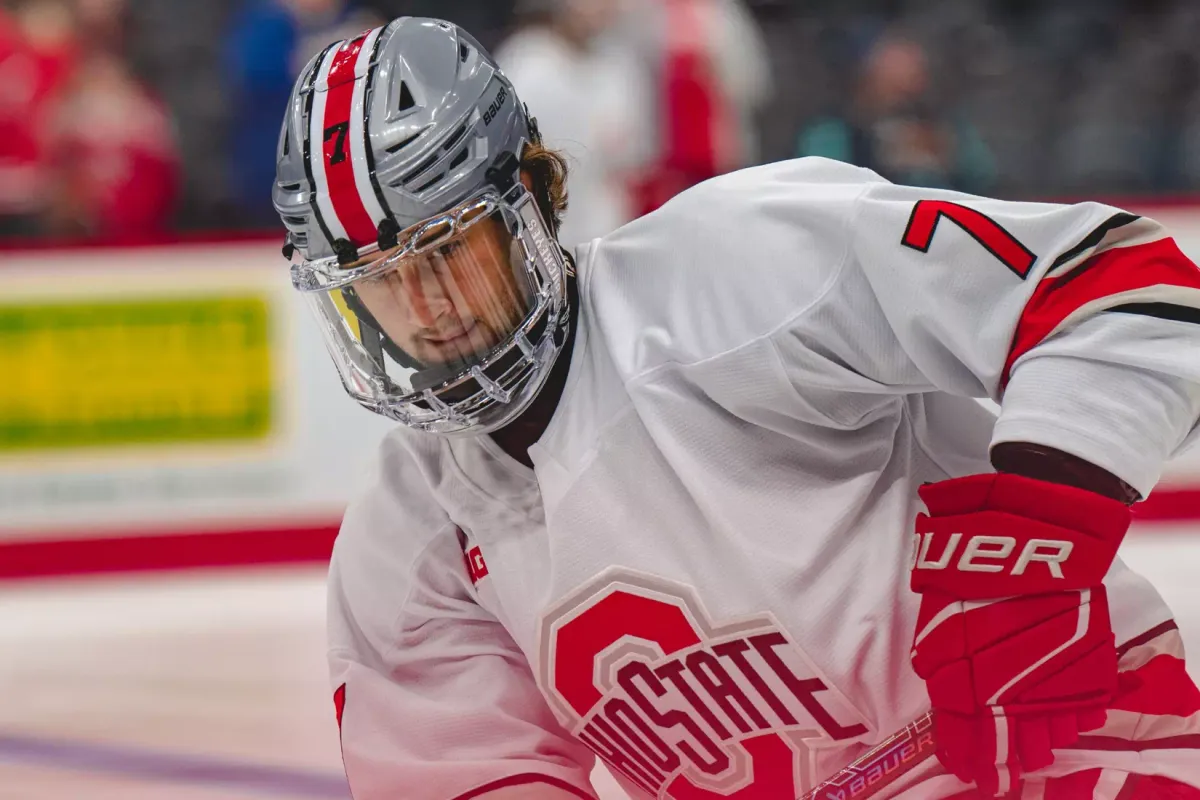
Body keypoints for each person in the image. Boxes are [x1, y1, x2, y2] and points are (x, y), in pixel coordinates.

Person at [273, 17, 1200, 800]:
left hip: (1072, 748)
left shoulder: (738, 268)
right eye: (378, 284)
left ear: (532, 197)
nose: (425, 306)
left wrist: (1035, 544)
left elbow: (1125, 290)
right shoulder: (403, 549)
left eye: (447, 253)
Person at [494, 0, 649, 249]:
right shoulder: (526, 66)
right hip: (550, 243)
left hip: (611, 238)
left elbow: (632, 164)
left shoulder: (619, 67)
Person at [797, 32, 995, 195]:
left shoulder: (948, 129)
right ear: (868, 79)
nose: (904, 95)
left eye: (913, 80)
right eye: (893, 83)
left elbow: (984, 179)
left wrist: (947, 154)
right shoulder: (833, 132)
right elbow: (819, 184)